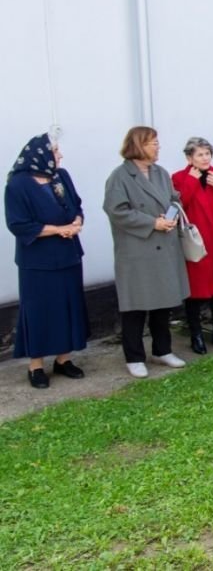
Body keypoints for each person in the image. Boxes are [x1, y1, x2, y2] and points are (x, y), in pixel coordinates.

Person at [103, 127, 190, 377]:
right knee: (135, 306)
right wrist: (152, 223)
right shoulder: (120, 176)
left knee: (163, 302)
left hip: (164, 246)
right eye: (153, 143)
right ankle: (134, 356)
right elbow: (116, 211)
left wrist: (172, 215)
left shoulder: (160, 173)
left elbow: (175, 198)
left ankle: (162, 350)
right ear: (139, 145)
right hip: (138, 250)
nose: (158, 146)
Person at [6, 133, 88, 388]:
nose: (60, 156)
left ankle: (63, 359)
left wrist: (76, 222)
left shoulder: (61, 176)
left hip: (68, 254)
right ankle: (36, 366)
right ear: (40, 155)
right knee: (39, 310)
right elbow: (18, 224)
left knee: (67, 306)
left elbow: (76, 206)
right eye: (55, 151)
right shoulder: (17, 185)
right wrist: (57, 229)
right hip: (38, 261)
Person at [171, 137, 213, 354]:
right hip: (195, 243)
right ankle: (196, 334)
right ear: (189, 158)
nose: (204, 158)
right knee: (194, 292)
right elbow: (178, 205)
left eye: (207, 154)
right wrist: (191, 182)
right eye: (199, 154)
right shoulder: (179, 177)